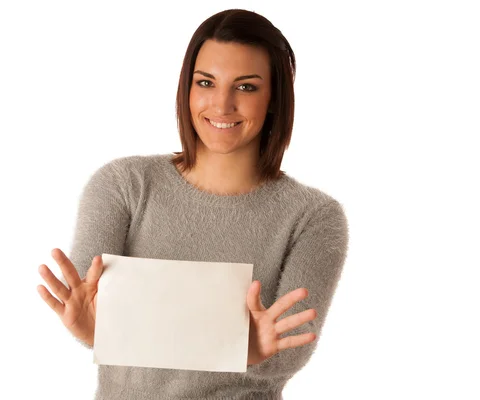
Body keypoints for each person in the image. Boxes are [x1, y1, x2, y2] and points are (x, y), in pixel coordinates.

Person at [37, 8, 349, 400]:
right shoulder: (123, 186)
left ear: (274, 98)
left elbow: (289, 347)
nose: (222, 105)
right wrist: (227, 340)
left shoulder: (313, 217)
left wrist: (253, 350)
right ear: (187, 88)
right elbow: (96, 315)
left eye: (246, 87)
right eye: (206, 82)